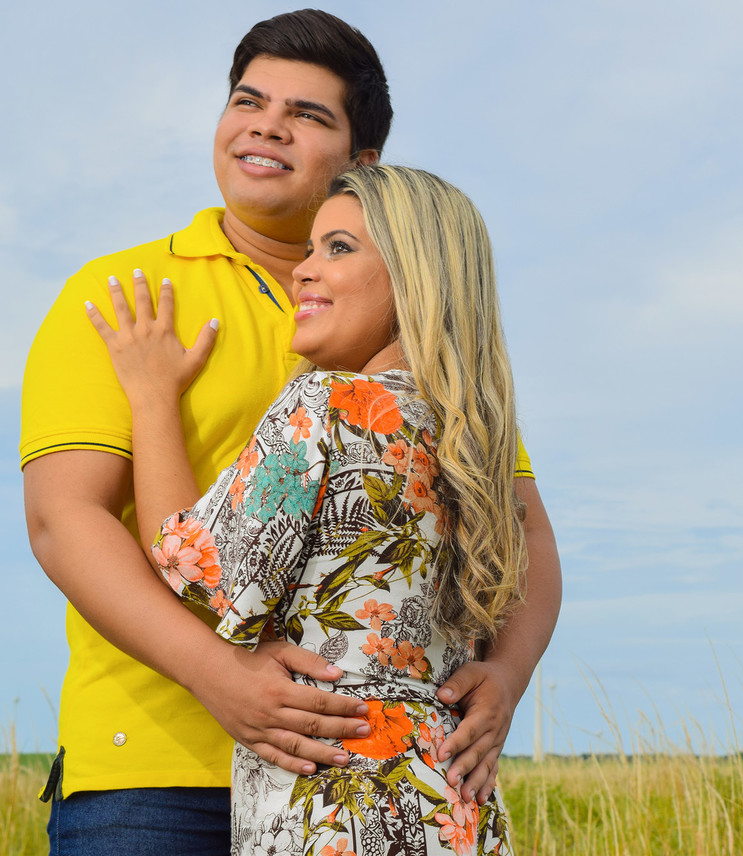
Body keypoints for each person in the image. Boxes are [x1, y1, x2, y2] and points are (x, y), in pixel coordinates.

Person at [21, 10, 560, 854]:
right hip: (159, 775)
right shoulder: (124, 292)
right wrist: (218, 675)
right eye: (248, 99)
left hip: (349, 781)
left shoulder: (432, 367)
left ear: (364, 164)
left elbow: (519, 529)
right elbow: (63, 521)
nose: (267, 124)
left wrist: (507, 676)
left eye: (308, 114)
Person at [87, 164, 523, 855]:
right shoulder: (474, 441)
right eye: (310, 249)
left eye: (338, 249)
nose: (303, 271)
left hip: (335, 798)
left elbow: (190, 561)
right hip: (455, 802)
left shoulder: (325, 405)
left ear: (416, 275)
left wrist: (150, 394)